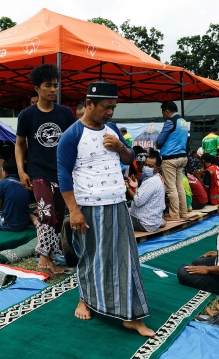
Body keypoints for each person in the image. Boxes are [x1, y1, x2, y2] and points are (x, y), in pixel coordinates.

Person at [58, 81, 154, 337]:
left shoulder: (112, 129)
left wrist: (121, 147)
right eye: (105, 107)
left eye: (113, 107)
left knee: (127, 258)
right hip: (87, 207)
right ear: (89, 104)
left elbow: (129, 159)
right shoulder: (72, 135)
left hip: (118, 204)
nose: (110, 112)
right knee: (90, 255)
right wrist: (74, 211)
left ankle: (130, 316)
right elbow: (63, 176)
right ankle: (85, 299)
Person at [15, 63, 76, 274]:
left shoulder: (66, 113)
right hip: (38, 173)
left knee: (58, 216)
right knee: (46, 212)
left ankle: (50, 255)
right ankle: (44, 255)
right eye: (48, 86)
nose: (53, 90)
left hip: (61, 173)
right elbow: (19, 144)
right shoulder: (27, 115)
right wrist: (22, 171)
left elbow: (72, 142)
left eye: (56, 86)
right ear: (36, 89)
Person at [0, 159, 35, 231]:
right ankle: (31, 218)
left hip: (9, 224)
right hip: (24, 222)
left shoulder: (2, 183)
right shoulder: (24, 183)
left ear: (5, 172)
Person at [155, 101, 189, 221]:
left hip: (170, 158)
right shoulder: (183, 122)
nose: (164, 115)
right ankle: (183, 213)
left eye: (164, 112)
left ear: (167, 111)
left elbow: (159, 141)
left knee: (170, 188)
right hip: (182, 157)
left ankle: (174, 215)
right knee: (179, 185)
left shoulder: (170, 121)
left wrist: (156, 144)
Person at [127, 151, 166, 232]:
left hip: (143, 223)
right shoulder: (156, 177)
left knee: (118, 215)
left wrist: (127, 188)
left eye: (150, 166)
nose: (146, 167)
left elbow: (138, 201)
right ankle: (157, 222)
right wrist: (136, 187)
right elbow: (143, 196)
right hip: (150, 221)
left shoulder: (151, 181)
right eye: (145, 164)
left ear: (157, 169)